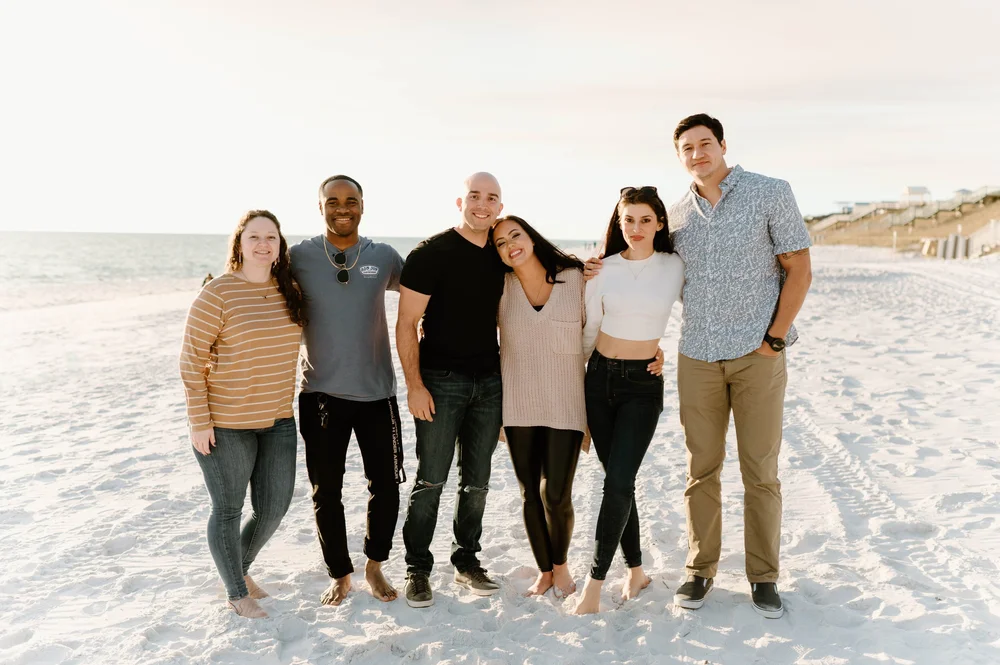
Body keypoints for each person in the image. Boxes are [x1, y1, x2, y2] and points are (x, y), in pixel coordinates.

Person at [668, 114, 812, 618]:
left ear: (723, 145)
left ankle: (764, 577)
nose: (697, 154)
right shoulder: (676, 214)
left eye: (705, 144)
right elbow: (640, 263)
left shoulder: (770, 191)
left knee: (760, 471)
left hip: (758, 355)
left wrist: (773, 340)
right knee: (699, 470)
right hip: (697, 357)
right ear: (679, 156)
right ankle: (699, 570)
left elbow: (799, 269)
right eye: (687, 148)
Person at [490, 215, 665, 600]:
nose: (510, 246)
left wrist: (651, 348)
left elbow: (611, 316)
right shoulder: (498, 287)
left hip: (568, 401)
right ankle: (546, 571)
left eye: (515, 235)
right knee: (529, 494)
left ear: (532, 237)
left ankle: (563, 565)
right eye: (500, 243)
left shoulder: (575, 277)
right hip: (518, 401)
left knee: (556, 494)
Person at [179, 210, 306, 619]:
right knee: (229, 509)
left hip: (278, 421)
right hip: (225, 425)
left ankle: (238, 569)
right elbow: (191, 361)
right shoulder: (217, 293)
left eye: (272, 237)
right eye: (254, 236)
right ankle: (236, 592)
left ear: (280, 245)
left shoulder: (290, 290)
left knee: (273, 507)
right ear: (240, 243)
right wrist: (200, 421)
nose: (263, 244)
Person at [289, 175, 406, 606]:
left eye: (351, 200)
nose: (343, 207)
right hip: (320, 394)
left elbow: (427, 294)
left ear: (362, 205)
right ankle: (340, 572)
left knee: (387, 484)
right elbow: (258, 284)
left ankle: (375, 564)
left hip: (378, 393)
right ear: (319, 206)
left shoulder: (384, 256)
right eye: (333, 201)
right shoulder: (298, 256)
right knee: (327, 490)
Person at [572, 186, 685, 615]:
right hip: (599, 380)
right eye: (628, 220)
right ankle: (636, 571)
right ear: (618, 224)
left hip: (642, 384)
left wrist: (663, 352)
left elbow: (702, 309)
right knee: (620, 481)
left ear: (659, 222)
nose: (635, 228)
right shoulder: (602, 269)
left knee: (618, 481)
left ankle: (594, 584)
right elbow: (587, 331)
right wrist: (574, 386)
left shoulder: (675, 266)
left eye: (644, 220)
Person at [396, 172, 506, 608]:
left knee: (477, 482)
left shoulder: (502, 253)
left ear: (500, 206)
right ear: (460, 201)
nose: (483, 204)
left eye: (492, 198)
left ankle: (466, 560)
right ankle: (417, 569)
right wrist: (414, 386)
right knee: (431, 479)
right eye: (475, 196)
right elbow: (405, 324)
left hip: (490, 382)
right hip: (440, 382)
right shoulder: (430, 253)